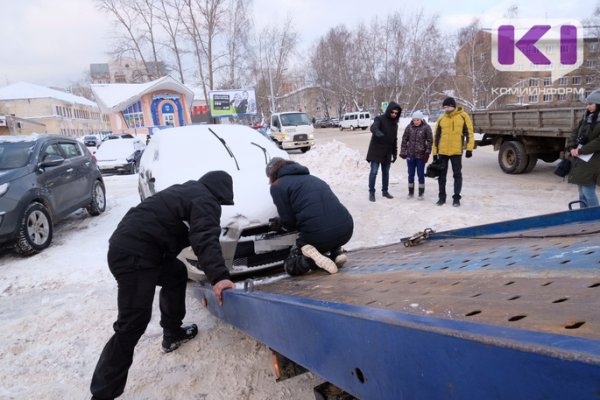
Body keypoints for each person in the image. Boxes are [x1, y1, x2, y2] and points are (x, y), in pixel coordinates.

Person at [90, 171, 236, 400]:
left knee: (176, 273)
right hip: (135, 255)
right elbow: (205, 238)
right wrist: (219, 277)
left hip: (132, 248)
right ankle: (102, 394)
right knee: (132, 323)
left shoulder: (188, 191)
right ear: (221, 194)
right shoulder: (205, 199)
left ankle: (172, 333)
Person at [266, 158, 354, 276]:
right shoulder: (315, 179)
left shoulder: (278, 185)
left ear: (272, 174)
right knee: (326, 226)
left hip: (318, 235)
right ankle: (337, 253)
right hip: (346, 229)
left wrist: (280, 224)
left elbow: (289, 222)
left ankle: (310, 260)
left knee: (290, 266)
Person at [432, 97, 474, 207]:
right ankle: (442, 197)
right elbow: (436, 136)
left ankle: (456, 198)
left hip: (456, 152)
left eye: (448, 106)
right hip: (443, 152)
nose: (446, 109)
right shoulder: (441, 118)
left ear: (453, 106)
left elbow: (469, 133)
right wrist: (435, 153)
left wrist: (469, 148)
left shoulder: (463, 116)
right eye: (444, 107)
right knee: (442, 175)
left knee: (457, 175)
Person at [566, 89, 600, 208]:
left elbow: (598, 142)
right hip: (580, 159)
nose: (588, 106)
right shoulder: (586, 117)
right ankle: (583, 217)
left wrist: (580, 150)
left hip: (593, 160)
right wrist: (571, 147)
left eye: (591, 104)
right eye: (587, 104)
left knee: (587, 191)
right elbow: (574, 133)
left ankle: (595, 218)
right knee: (581, 191)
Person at [367, 101, 402, 202]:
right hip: (376, 151)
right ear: (389, 110)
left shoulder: (395, 125)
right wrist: (377, 132)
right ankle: (372, 192)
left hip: (387, 152)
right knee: (374, 172)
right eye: (392, 112)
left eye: (396, 113)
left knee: (386, 172)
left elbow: (394, 140)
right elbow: (373, 127)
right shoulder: (379, 119)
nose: (394, 114)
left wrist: (394, 153)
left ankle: (385, 191)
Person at [400, 110, 433, 200]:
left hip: (421, 156)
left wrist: (427, 153)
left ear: (421, 119)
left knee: (420, 174)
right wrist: (403, 151)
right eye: (414, 120)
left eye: (418, 120)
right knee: (410, 174)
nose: (416, 121)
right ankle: (410, 192)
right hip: (410, 155)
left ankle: (421, 193)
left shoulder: (426, 127)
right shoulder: (409, 127)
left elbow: (430, 141)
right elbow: (404, 140)